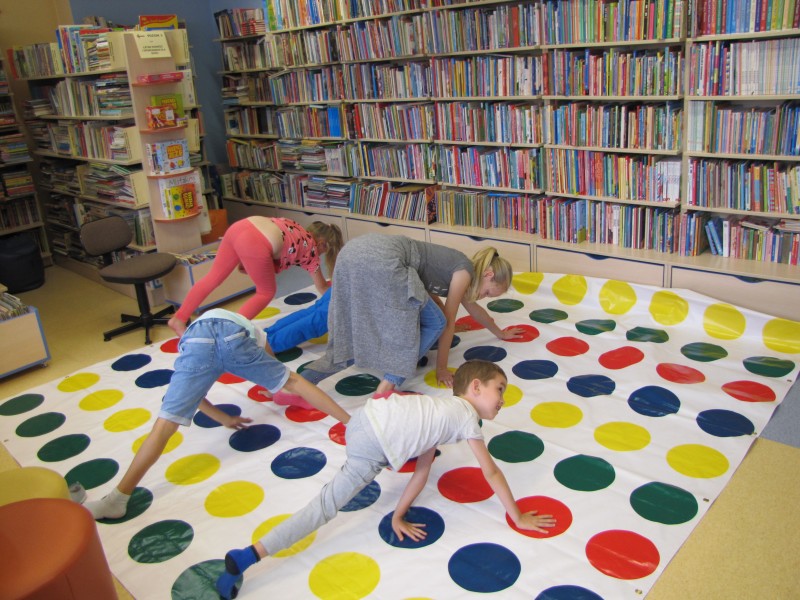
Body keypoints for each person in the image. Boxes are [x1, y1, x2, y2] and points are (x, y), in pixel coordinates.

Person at [216, 360, 556, 599]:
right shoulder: (466, 417)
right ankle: (247, 556)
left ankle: (249, 555)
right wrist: (517, 516)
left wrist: (397, 514)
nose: (503, 399)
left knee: (331, 498)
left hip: (363, 419)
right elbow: (491, 471)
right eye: (500, 389)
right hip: (373, 441)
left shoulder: (440, 411)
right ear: (476, 387)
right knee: (324, 507)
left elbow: (422, 470)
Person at [85, 308, 350, 521]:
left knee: (164, 425)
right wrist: (275, 384)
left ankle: (117, 498)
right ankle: (350, 421)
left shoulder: (192, 337)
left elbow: (194, 394)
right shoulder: (248, 328)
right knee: (293, 380)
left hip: (198, 342)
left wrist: (221, 417)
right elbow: (273, 363)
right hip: (232, 336)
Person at [293, 233, 524, 396]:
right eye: (488, 292)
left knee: (354, 335)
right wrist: (441, 369)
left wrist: (500, 333)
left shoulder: (459, 269)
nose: (483, 297)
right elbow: (446, 323)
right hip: (382, 258)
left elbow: (472, 310)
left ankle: (297, 386)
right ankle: (388, 386)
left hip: (353, 252)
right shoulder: (463, 273)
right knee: (436, 322)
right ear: (488, 274)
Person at [168, 217, 343, 337]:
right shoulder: (310, 249)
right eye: (324, 251)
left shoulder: (295, 226)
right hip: (254, 241)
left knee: (213, 277)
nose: (320, 255)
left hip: (240, 227)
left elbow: (278, 250)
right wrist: (340, 295)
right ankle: (229, 332)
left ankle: (179, 318)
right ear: (321, 243)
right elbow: (322, 287)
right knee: (266, 292)